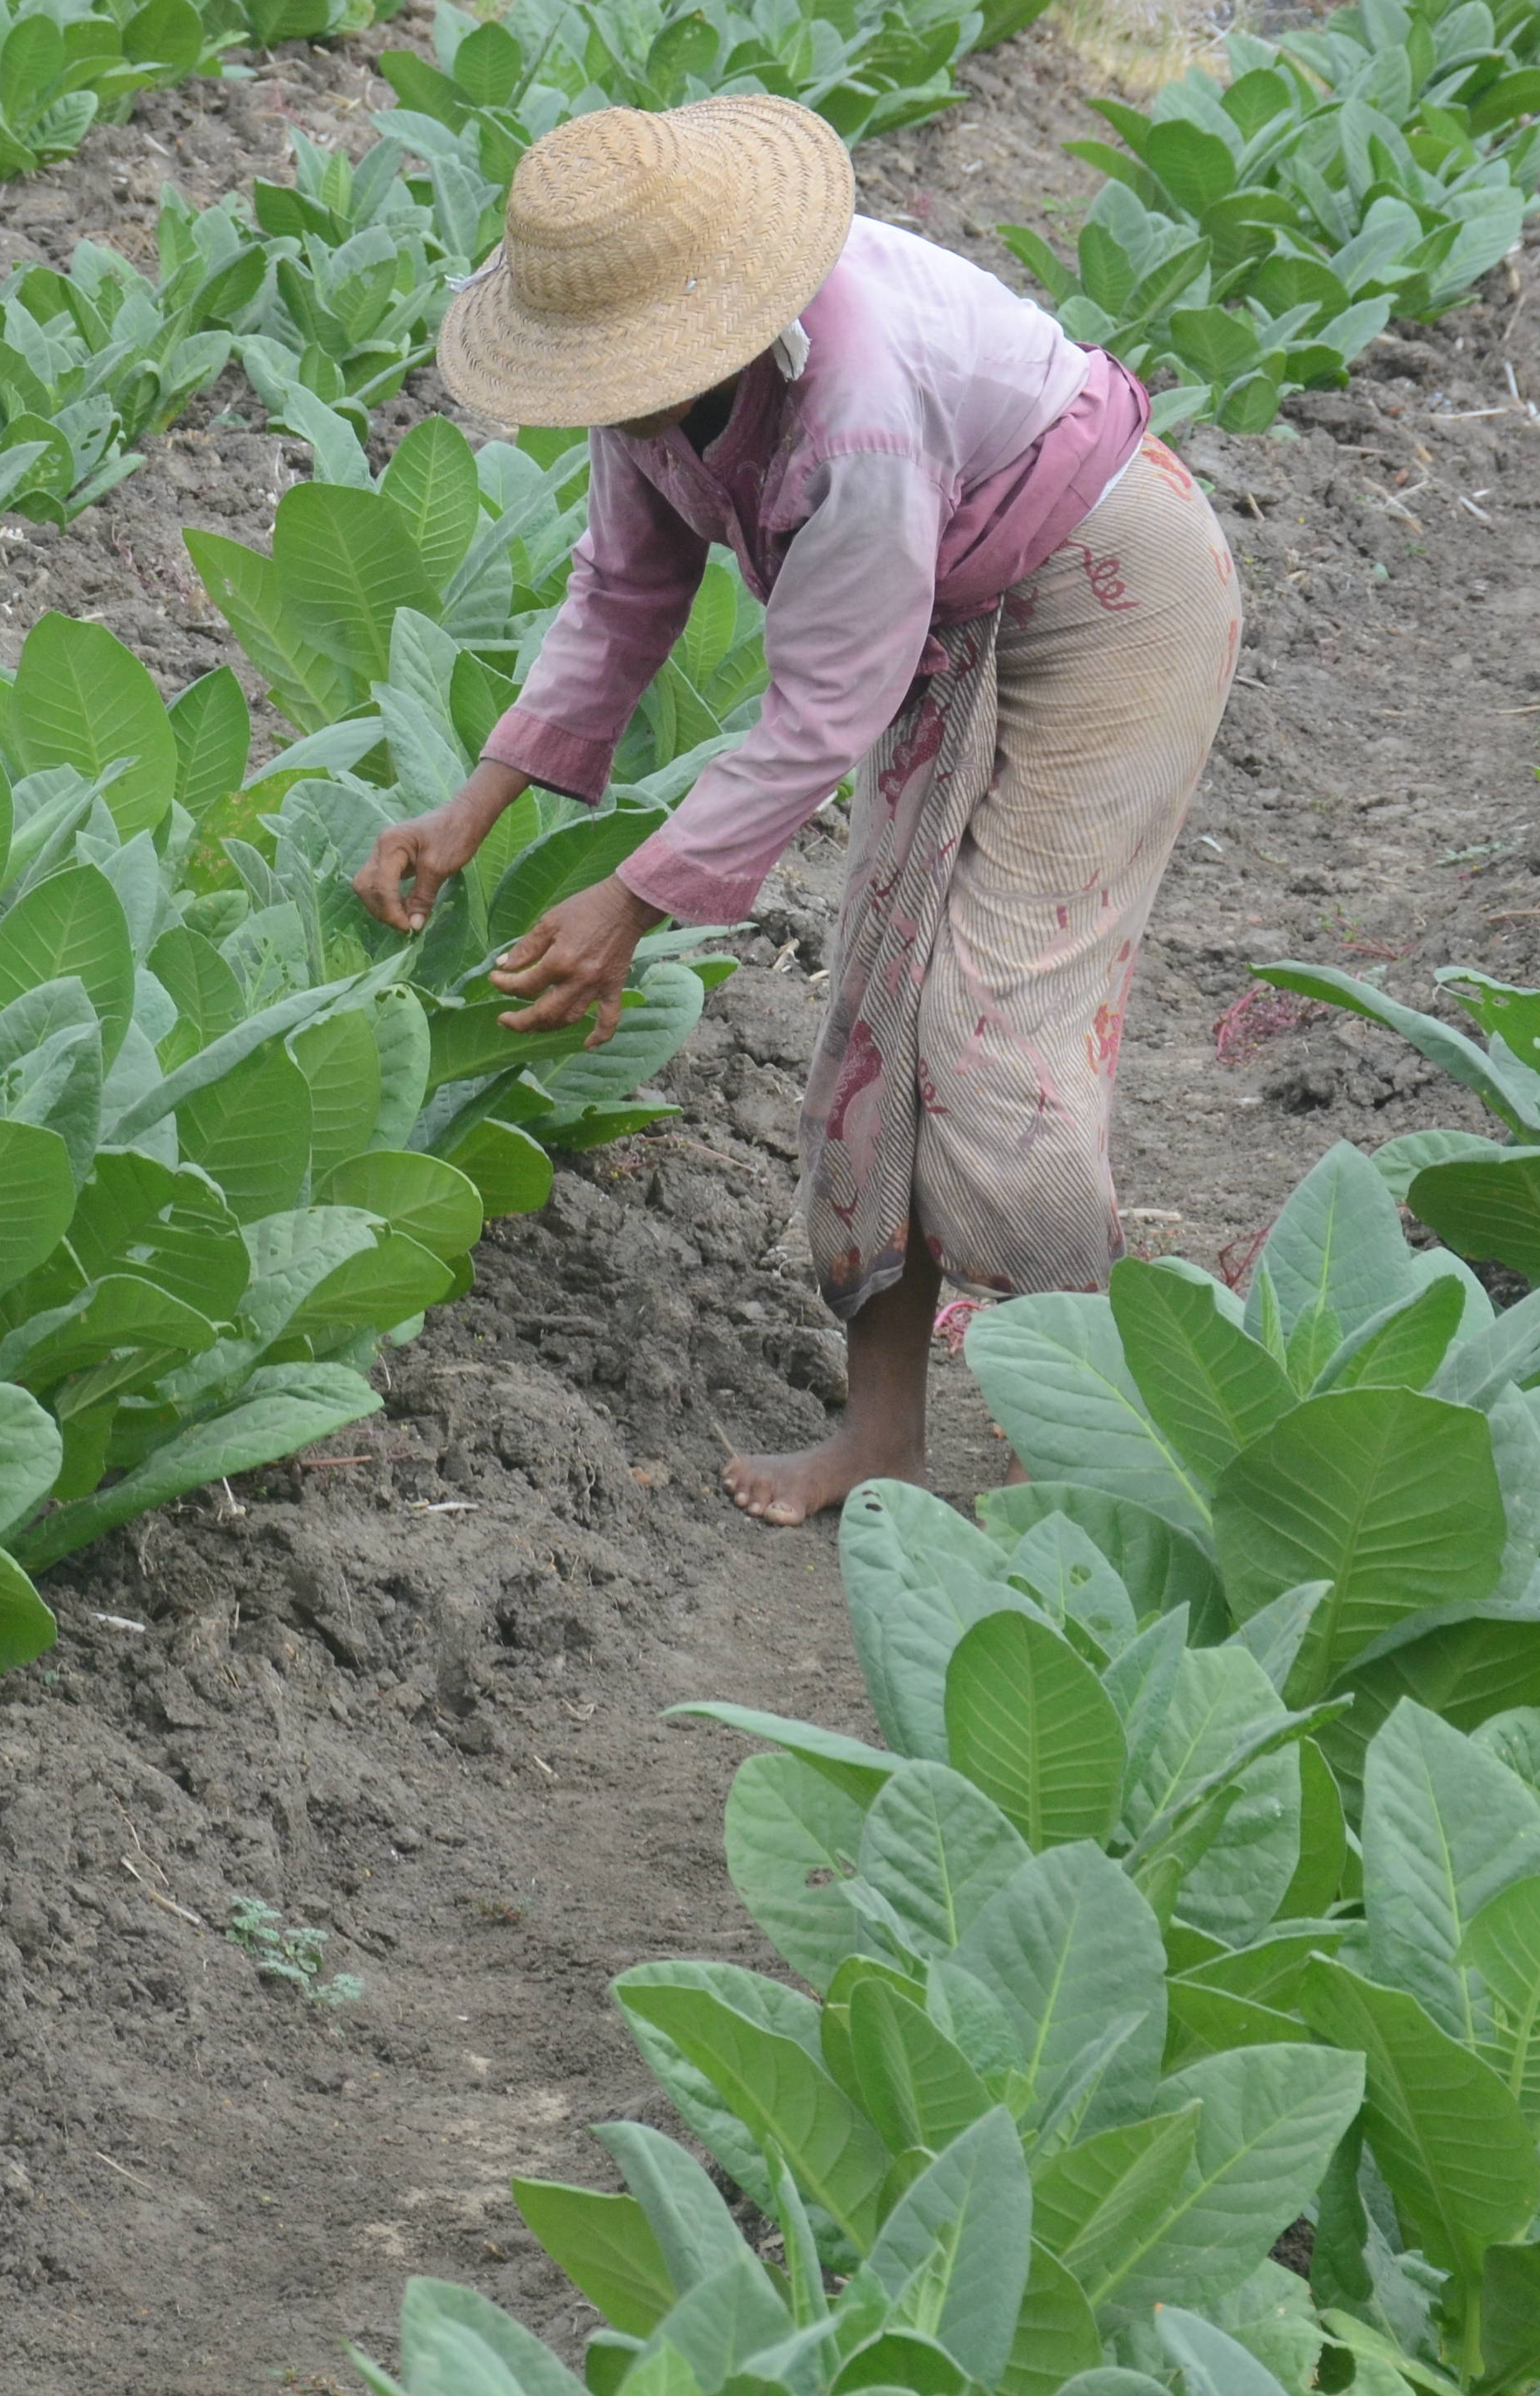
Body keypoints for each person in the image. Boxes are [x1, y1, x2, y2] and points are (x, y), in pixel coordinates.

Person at [350, 96, 1240, 1527]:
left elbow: (820, 710)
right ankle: (883, 1440)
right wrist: (478, 803)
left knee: (996, 1039)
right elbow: (622, 592)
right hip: (947, 620)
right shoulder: (647, 392)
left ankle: (1098, 1463)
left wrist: (632, 901)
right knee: (881, 1024)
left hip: (1110, 601)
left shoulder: (858, 412)